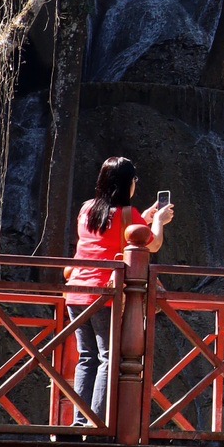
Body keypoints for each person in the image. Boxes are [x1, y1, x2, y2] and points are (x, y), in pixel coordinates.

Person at [66, 158, 172, 423]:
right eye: (135, 180)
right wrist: (158, 220)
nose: (136, 184)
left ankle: (80, 421)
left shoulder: (86, 209)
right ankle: (96, 423)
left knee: (87, 357)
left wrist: (143, 217)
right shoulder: (128, 214)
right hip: (105, 295)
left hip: (76, 291)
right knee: (108, 358)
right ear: (127, 183)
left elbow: (108, 231)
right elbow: (153, 244)